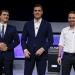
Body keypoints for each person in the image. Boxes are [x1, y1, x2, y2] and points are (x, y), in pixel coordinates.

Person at [21, 4, 53, 75]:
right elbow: (23, 39)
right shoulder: (27, 24)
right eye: (35, 11)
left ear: (42, 12)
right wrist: (25, 50)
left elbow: (51, 40)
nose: (37, 12)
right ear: (33, 12)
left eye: (39, 11)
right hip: (29, 54)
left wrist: (43, 49)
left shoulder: (47, 25)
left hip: (42, 55)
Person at [0, 9, 20, 75]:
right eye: (4, 15)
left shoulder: (12, 28)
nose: (6, 16)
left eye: (7, 15)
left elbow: (17, 41)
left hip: (8, 55)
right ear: (0, 16)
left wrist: (7, 47)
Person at [57, 11, 75, 75]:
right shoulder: (64, 30)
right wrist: (59, 56)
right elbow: (61, 44)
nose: (71, 19)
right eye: (70, 18)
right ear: (68, 19)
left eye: (73, 18)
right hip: (66, 56)